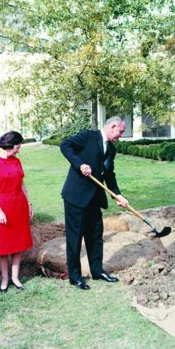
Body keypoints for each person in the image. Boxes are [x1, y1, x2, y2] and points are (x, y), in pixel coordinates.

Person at [60, 116, 129, 290]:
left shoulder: (111, 150)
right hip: (76, 198)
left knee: (95, 237)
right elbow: (65, 145)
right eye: (120, 131)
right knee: (75, 239)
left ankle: (97, 271)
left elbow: (109, 175)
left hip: (95, 200)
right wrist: (80, 164)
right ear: (113, 126)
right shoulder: (88, 136)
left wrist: (117, 195)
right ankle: (75, 277)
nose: (121, 135)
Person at [0, 131, 33, 292]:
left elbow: (22, 184)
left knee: (18, 244)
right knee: (4, 246)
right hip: (3, 206)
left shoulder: (17, 161)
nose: (18, 150)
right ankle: (4, 279)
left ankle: (15, 277)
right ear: (8, 145)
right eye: (17, 147)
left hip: (19, 205)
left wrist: (29, 203)